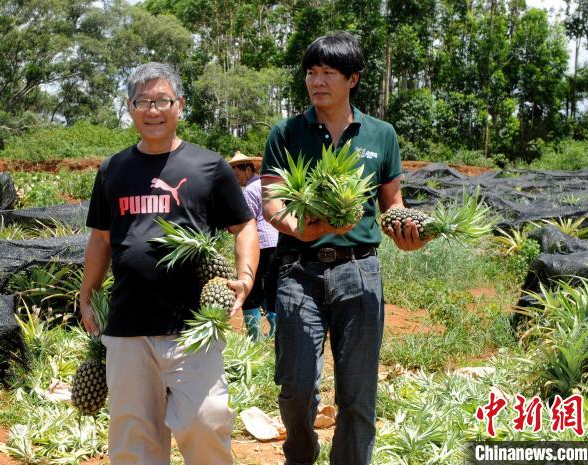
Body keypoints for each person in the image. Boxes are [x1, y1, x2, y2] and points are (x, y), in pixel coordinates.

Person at [260, 32, 429, 465]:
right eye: (311, 73)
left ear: (352, 79)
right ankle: (301, 453)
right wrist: (305, 229)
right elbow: (273, 204)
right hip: (299, 269)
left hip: (360, 271)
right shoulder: (287, 133)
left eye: (328, 73)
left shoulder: (381, 135)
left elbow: (392, 204)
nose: (316, 82)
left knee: (357, 393)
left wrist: (406, 233)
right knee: (296, 385)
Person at [79, 62, 259, 465]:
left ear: (179, 106)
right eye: (143, 101)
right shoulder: (112, 169)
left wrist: (244, 278)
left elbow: (244, 226)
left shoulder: (208, 166)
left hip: (192, 324)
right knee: (132, 438)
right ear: (130, 108)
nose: (153, 110)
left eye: (162, 101)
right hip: (127, 326)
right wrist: (86, 294)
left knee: (206, 420)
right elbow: (102, 238)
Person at [229, 151, 279, 340]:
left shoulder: (249, 191)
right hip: (275, 241)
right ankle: (275, 331)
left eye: (236, 171)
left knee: (251, 288)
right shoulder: (266, 185)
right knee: (273, 287)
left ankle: (255, 337)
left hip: (259, 245)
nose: (235, 176)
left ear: (248, 169)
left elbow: (244, 222)